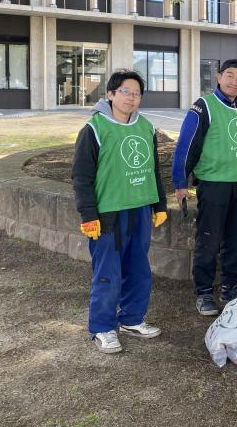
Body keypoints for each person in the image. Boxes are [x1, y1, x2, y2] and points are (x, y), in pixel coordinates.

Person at [72, 70, 168, 353]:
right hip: (108, 215)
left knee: (139, 268)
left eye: (137, 93)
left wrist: (159, 205)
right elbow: (81, 176)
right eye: (126, 92)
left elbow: (153, 170)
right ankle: (102, 327)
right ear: (111, 94)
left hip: (139, 209)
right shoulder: (95, 129)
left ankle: (131, 319)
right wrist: (88, 215)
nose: (132, 98)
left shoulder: (146, 128)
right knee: (108, 273)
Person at [172, 59, 237, 316]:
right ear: (219, 77)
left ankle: (231, 286)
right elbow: (187, 145)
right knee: (209, 239)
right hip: (214, 184)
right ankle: (204, 292)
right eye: (229, 75)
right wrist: (180, 181)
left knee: (236, 239)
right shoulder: (203, 106)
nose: (234, 81)